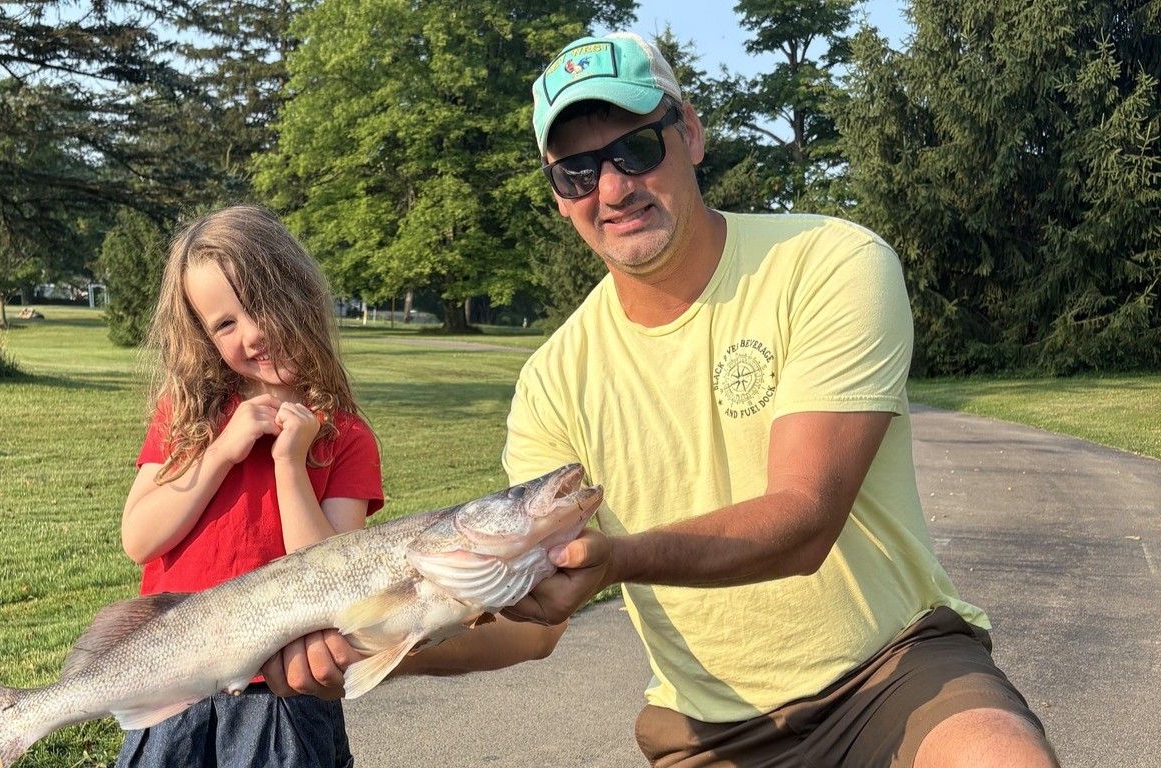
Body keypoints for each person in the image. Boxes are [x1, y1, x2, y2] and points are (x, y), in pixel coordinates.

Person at [266, 32, 1060, 768]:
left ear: (691, 134)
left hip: (894, 671)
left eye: (635, 149)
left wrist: (622, 558)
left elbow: (805, 517)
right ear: (556, 193)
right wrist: (374, 653)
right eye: (576, 171)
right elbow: (525, 627)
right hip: (707, 729)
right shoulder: (555, 378)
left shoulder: (827, 262)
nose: (611, 189)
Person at [117, 204, 384, 768]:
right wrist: (220, 452)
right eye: (225, 324)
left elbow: (334, 584)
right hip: (171, 691)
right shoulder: (186, 416)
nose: (254, 333)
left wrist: (290, 459)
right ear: (204, 339)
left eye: (262, 303)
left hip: (280, 700)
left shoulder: (346, 437)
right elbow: (140, 539)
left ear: (301, 295)